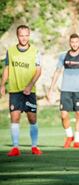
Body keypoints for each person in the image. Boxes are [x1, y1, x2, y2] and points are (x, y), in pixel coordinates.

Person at [47, 33, 79, 149]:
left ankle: (77, 141)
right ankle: (69, 136)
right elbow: (57, 72)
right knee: (64, 115)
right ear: (69, 43)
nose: (74, 44)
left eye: (76, 42)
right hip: (66, 90)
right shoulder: (63, 56)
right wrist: (51, 89)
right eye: (72, 42)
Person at [0, 25, 42, 156]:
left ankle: (34, 146)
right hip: (15, 90)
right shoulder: (11, 51)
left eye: (26, 35)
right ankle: (15, 147)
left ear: (29, 35)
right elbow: (7, 68)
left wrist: (30, 86)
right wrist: (2, 84)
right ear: (17, 36)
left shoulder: (35, 51)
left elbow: (38, 71)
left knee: (32, 118)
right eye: (21, 35)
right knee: (15, 117)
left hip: (30, 91)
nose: (24, 38)